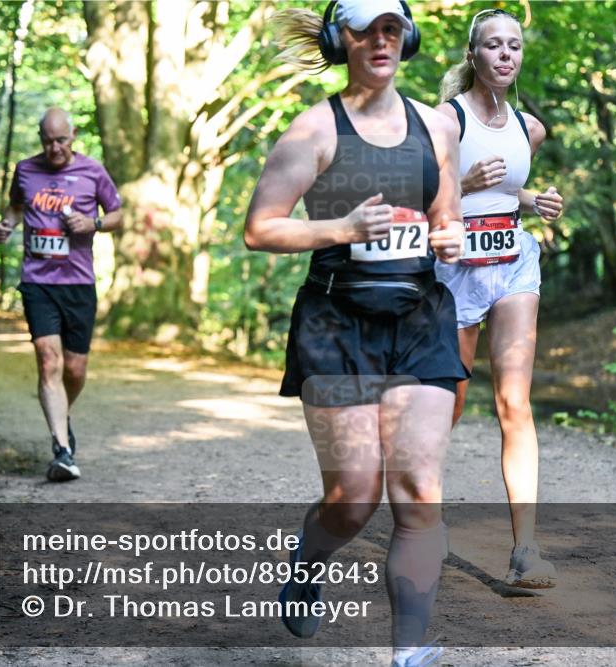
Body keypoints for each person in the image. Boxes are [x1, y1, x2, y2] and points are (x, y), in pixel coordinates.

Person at [244, 2, 465, 664]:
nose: (381, 40)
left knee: (419, 491)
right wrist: (344, 229)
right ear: (343, 39)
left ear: (408, 38)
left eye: (391, 27)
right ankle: (309, 561)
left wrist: (449, 236)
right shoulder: (315, 128)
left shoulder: (437, 126)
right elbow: (261, 228)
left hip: (422, 319)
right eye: (366, 28)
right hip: (336, 324)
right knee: (353, 498)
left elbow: (444, 218)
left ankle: (407, 654)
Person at [435, 8, 564, 588]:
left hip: (512, 264)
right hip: (454, 271)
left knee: (515, 404)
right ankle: (425, 517)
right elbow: (414, 197)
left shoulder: (529, 127)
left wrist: (533, 199)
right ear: (473, 55)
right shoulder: (445, 120)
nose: (505, 54)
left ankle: (525, 551)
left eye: (514, 45)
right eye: (493, 45)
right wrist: (464, 186)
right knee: (448, 407)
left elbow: (509, 190)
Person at [0, 107, 123, 482]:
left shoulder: (92, 171)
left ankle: (62, 413)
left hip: (78, 283)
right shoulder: (25, 170)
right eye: (47, 142)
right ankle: (62, 450)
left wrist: (92, 223)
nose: (54, 149)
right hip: (38, 282)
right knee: (48, 361)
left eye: (61, 140)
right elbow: (16, 207)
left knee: (74, 369)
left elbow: (118, 214)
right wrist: (6, 225)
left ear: (73, 135)